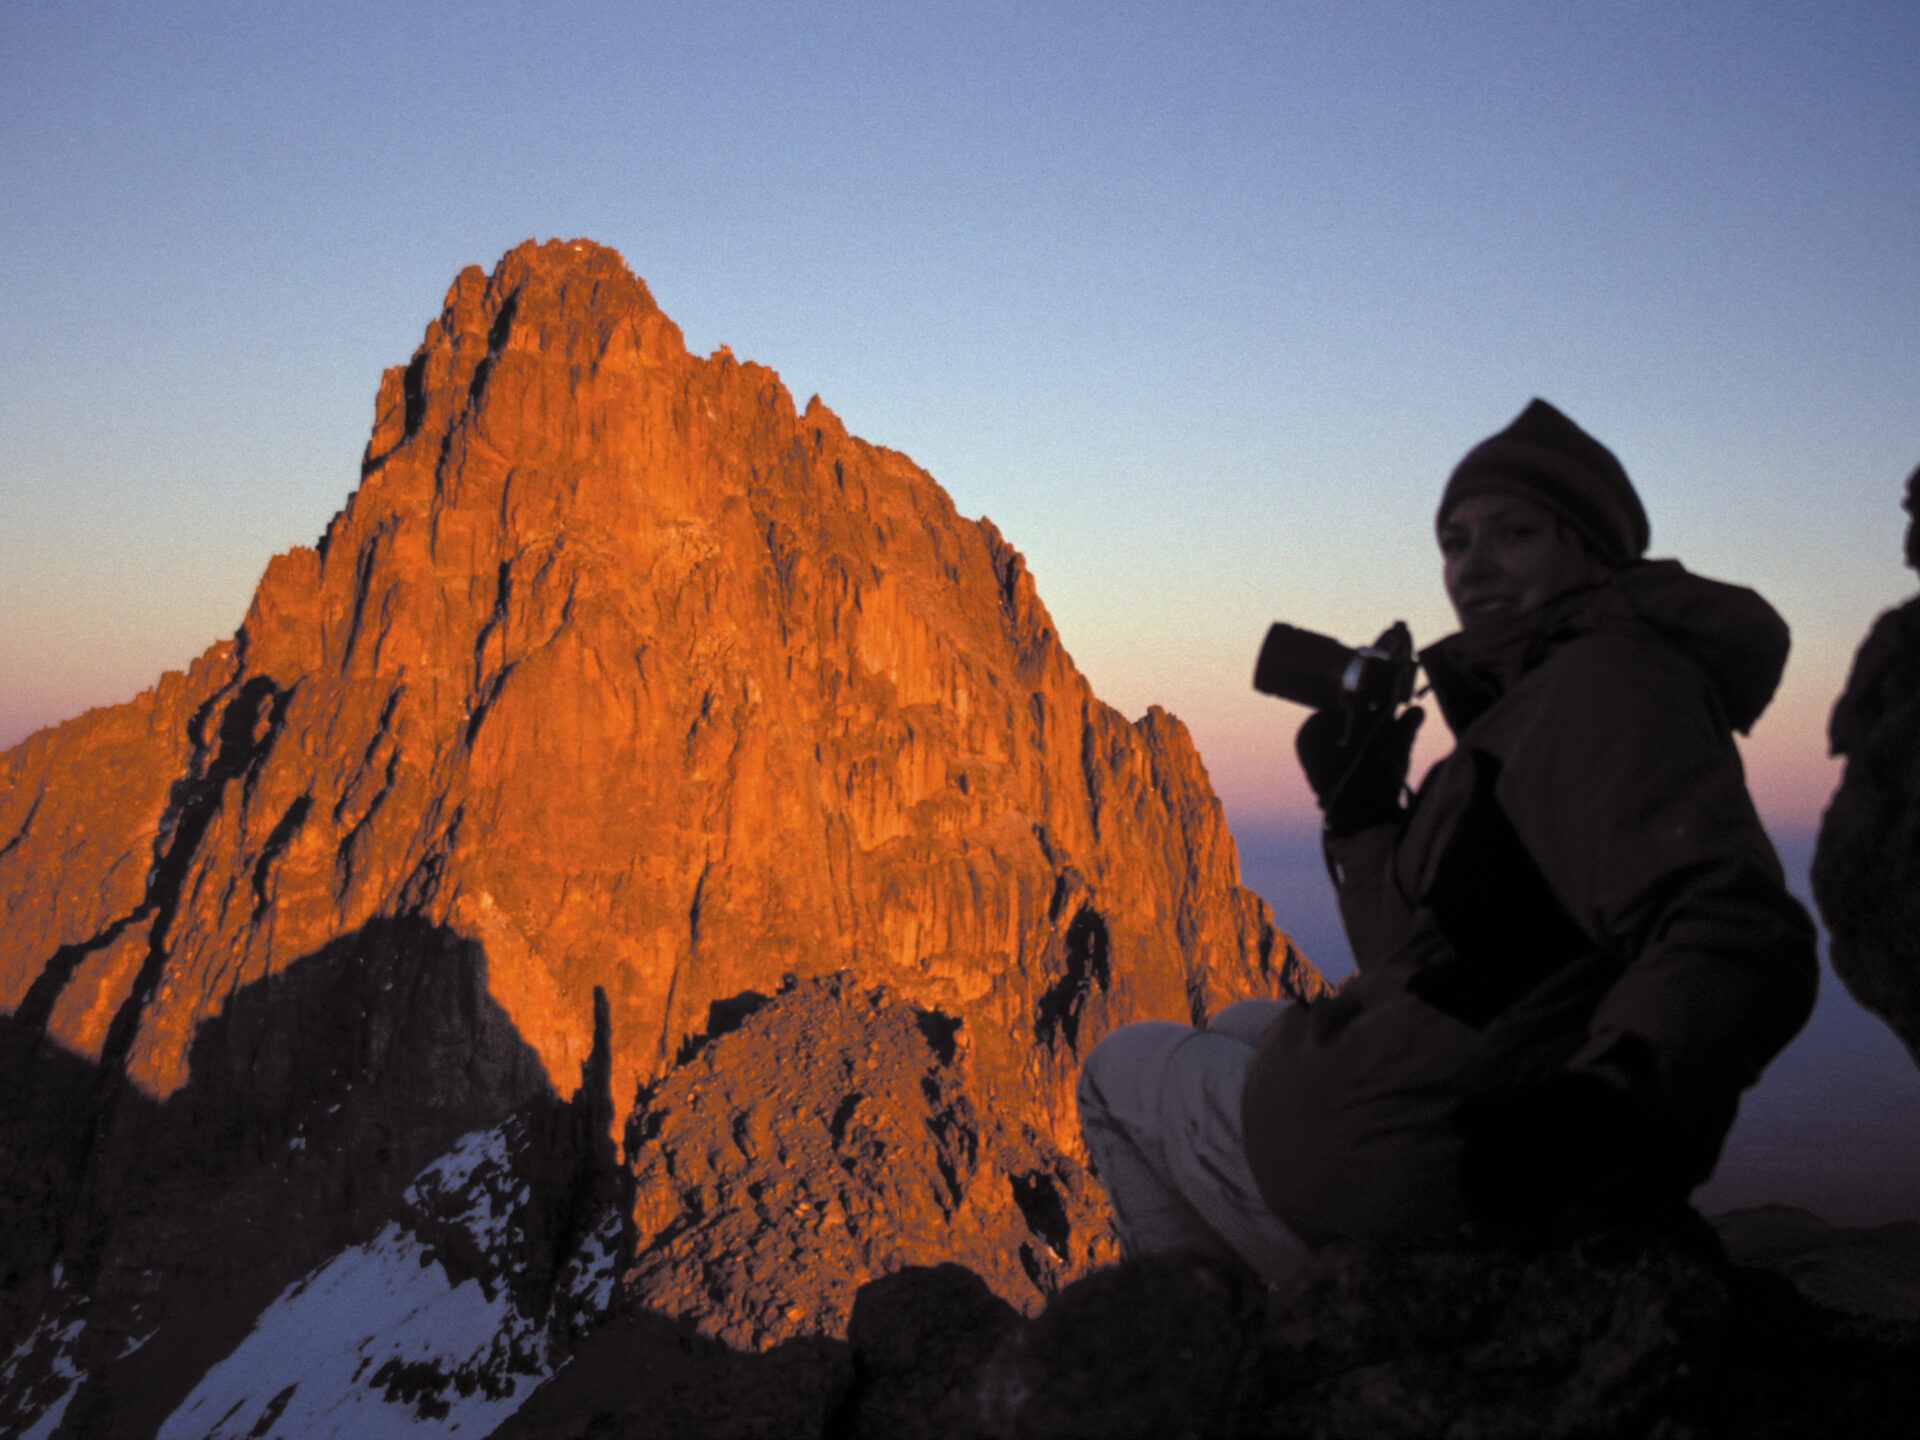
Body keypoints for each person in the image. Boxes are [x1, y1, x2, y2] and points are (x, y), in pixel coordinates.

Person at [1076, 399, 1818, 1286]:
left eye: (1514, 534)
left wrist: (1612, 1103)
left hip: (1448, 1164)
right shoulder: (1536, 701)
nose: (1475, 568)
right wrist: (1362, 818)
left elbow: (1735, 924)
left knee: (1117, 1069)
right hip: (1473, 1094)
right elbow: (1422, 959)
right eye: (1457, 542)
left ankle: (1227, 1349)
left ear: (1588, 547)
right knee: (1238, 1023)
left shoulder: (1608, 690)